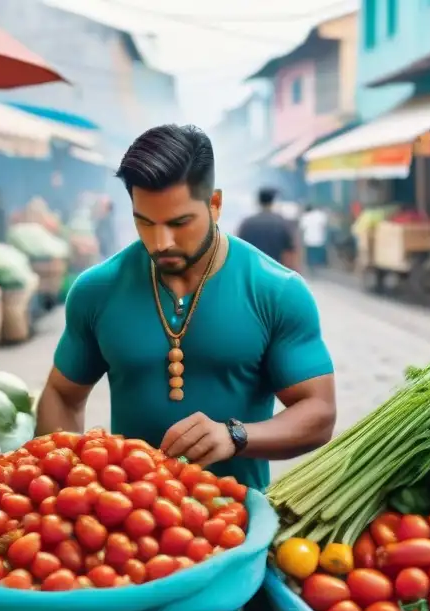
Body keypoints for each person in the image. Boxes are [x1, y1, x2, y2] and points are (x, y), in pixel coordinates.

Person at [36, 124, 337, 490]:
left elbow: (319, 412)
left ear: (215, 205)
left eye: (179, 223)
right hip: (125, 525)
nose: (160, 242)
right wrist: (62, 482)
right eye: (144, 222)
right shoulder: (97, 289)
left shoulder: (277, 291)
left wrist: (236, 436)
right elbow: (62, 395)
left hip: (234, 523)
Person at [237, 187, 297, 268]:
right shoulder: (282, 223)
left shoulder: (246, 223)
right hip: (275, 271)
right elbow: (289, 252)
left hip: (253, 270)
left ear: (258, 202)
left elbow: (239, 250)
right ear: (272, 202)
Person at [299, 204, 329, 269]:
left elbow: (302, 228)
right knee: (318, 253)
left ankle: (311, 266)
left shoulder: (305, 216)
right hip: (319, 238)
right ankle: (318, 265)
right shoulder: (320, 215)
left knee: (310, 254)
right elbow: (324, 226)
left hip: (309, 239)